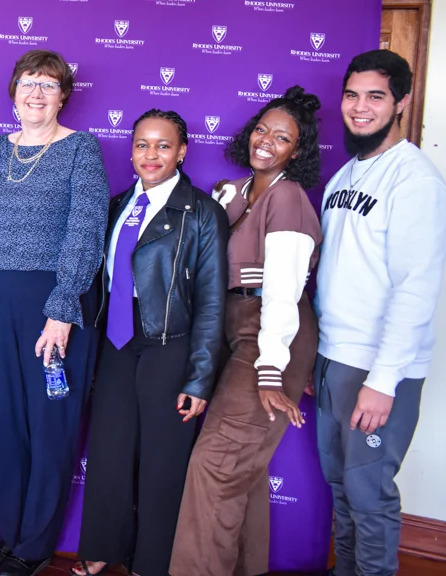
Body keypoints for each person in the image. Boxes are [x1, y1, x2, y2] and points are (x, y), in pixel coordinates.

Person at [169, 86, 324, 576]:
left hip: (269, 334)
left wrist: (272, 370)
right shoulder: (232, 193)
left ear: (295, 152)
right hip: (229, 330)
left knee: (216, 466)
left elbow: (282, 291)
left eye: (283, 138)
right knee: (243, 473)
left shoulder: (290, 198)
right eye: (263, 129)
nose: (267, 141)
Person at [73, 110, 228, 576]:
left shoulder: (202, 212)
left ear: (182, 151)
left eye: (163, 145)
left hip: (170, 342)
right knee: (109, 448)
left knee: (163, 458)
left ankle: (154, 559)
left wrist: (200, 378)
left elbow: (212, 300)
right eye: (142, 144)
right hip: (118, 340)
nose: (151, 155)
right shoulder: (117, 203)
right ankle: (103, 545)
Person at [0, 49, 108, 576]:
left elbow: (86, 229)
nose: (36, 93)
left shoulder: (81, 149)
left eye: (48, 85)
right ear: (12, 91)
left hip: (56, 302)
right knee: (6, 424)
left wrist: (63, 306)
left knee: (50, 424)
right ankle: (8, 535)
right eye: (28, 83)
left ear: (63, 94)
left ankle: (34, 545)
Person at [313, 50, 446, 576]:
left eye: (376, 96)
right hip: (334, 359)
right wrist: (318, 359)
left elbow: (416, 289)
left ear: (402, 103)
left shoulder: (413, 179)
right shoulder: (347, 173)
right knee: (342, 492)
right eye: (352, 95)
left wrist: (383, 380)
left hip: (376, 367)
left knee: (369, 496)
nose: (360, 107)